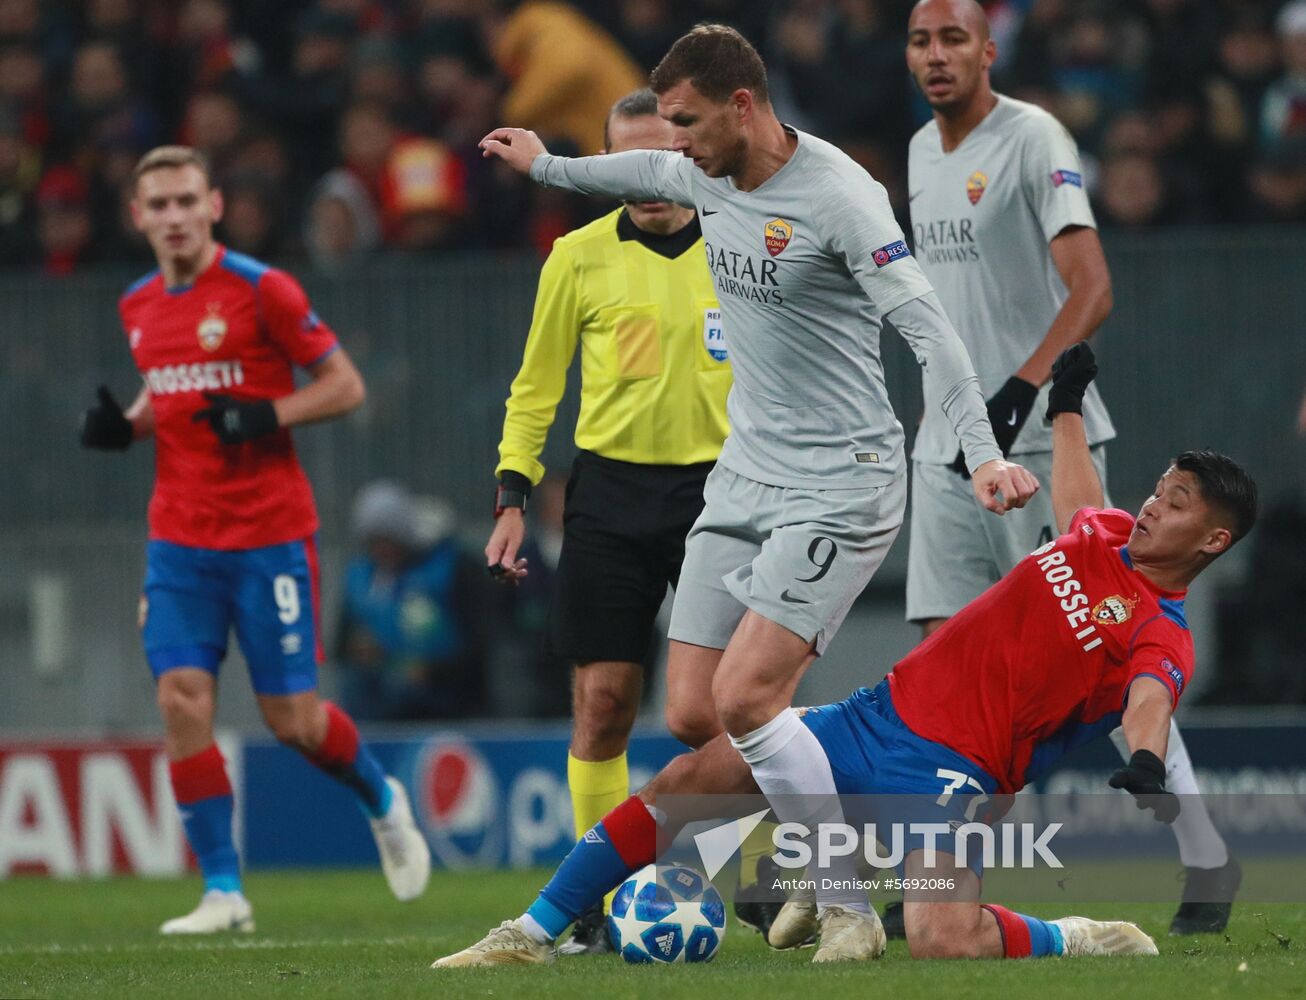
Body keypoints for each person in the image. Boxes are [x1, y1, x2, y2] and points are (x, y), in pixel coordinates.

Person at [479, 23, 1039, 960]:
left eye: (689, 124)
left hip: (841, 482)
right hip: (744, 476)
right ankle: (838, 816)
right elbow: (629, 176)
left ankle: (847, 902)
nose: (678, 148)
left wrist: (980, 453)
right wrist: (545, 166)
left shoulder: (842, 199)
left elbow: (931, 332)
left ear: (744, 106)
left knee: (746, 697)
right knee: (696, 715)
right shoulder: (699, 170)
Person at [431, 344, 1260, 968]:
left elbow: (1151, 697)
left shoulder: (1163, 630)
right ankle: (531, 934)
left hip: (956, 778)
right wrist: (1067, 406)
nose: (1153, 505)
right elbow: (1083, 502)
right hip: (877, 716)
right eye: (1158, 488)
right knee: (689, 781)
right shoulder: (1111, 536)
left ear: (1214, 539)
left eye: (1176, 503)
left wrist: (1147, 764)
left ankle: (1073, 934)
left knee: (940, 938)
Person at [901, 0, 1240, 937]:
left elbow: (1093, 288)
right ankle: (936, 898)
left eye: (953, 40)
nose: (937, 56)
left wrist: (1024, 387)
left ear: (987, 49)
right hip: (946, 448)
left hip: (1039, 440)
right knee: (948, 677)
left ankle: (1205, 853)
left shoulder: (1032, 135)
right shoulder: (921, 153)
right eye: (922, 41)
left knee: (1110, 656)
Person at [77, 145, 429, 935]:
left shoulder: (261, 288)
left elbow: (346, 385)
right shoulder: (137, 304)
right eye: (156, 205)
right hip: (178, 540)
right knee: (180, 698)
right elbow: (170, 397)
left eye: (184, 201)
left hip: (268, 537)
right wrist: (122, 428)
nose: (171, 217)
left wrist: (270, 413)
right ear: (137, 217)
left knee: (294, 724)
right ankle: (225, 892)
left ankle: (381, 795)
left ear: (213, 207)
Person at [485, 88, 732, 954]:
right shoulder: (577, 259)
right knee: (602, 702)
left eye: (661, 158)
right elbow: (536, 387)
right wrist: (512, 497)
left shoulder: (744, 241)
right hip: (613, 498)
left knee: (724, 712)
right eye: (625, 166)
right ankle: (603, 898)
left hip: (728, 494)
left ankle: (777, 885)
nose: (648, 181)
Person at [336, 481, 487, 721]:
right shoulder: (360, 578)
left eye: (388, 540)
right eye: (374, 541)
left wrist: (431, 670)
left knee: (403, 688)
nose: (381, 550)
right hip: (375, 691)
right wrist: (358, 649)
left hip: (445, 695)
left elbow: (479, 642)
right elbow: (340, 643)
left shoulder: (449, 569)